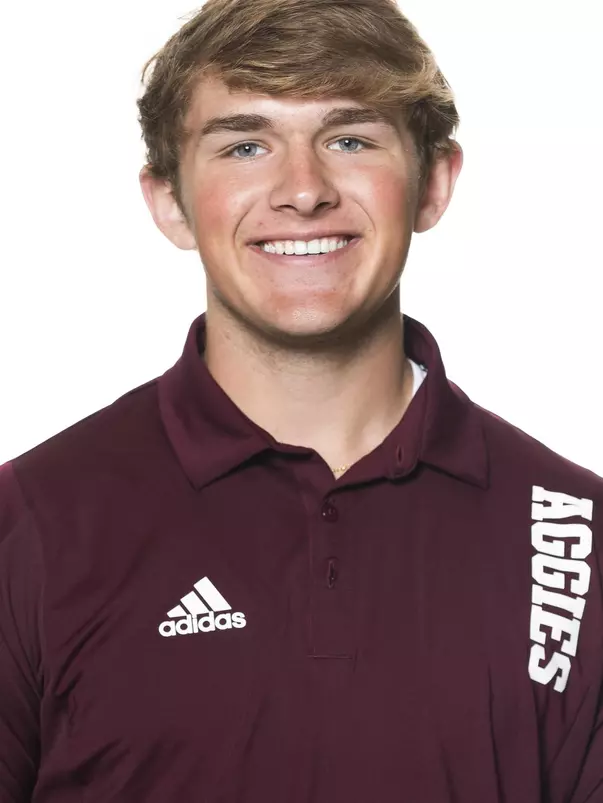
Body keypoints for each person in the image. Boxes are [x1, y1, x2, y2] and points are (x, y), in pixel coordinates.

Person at [1, 0, 601, 800]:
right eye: (245, 145)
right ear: (169, 202)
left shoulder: (575, 534)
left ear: (433, 184)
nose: (303, 190)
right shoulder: (32, 522)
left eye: (349, 139)